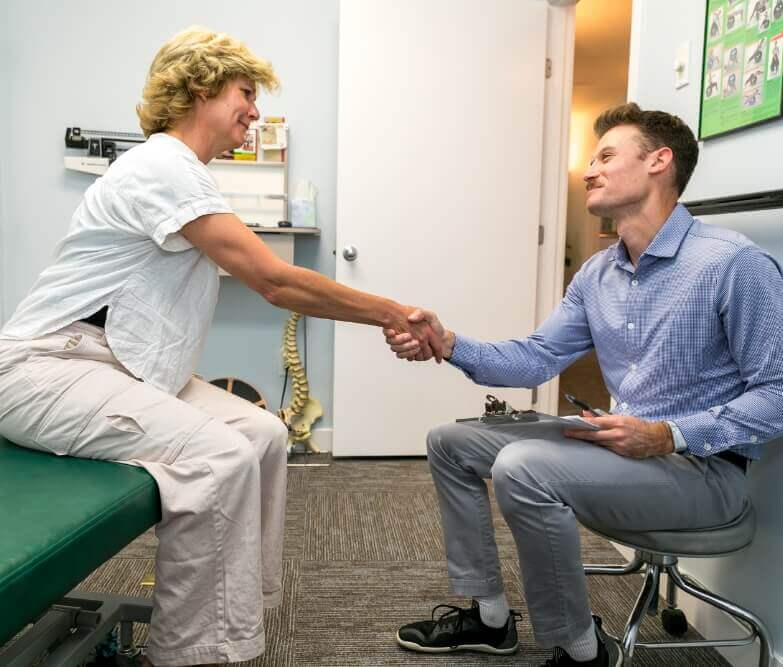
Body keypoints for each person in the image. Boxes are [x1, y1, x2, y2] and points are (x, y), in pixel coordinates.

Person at [0, 26, 441, 667]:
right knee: (218, 459)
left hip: (113, 364)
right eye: (245, 93)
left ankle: (232, 621)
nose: (255, 112)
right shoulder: (161, 163)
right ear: (201, 88)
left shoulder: (185, 174)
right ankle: (185, 652)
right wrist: (394, 312)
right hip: (47, 367)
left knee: (262, 434)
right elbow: (274, 280)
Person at [383, 103, 783, 666]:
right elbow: (536, 358)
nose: (588, 170)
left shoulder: (734, 265)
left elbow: (777, 394)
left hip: (703, 473)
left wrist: (667, 434)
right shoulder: (598, 273)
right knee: (452, 441)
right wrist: (449, 343)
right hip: (622, 448)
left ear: (659, 162)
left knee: (522, 464)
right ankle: (490, 618)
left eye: (605, 156)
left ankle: (579, 650)